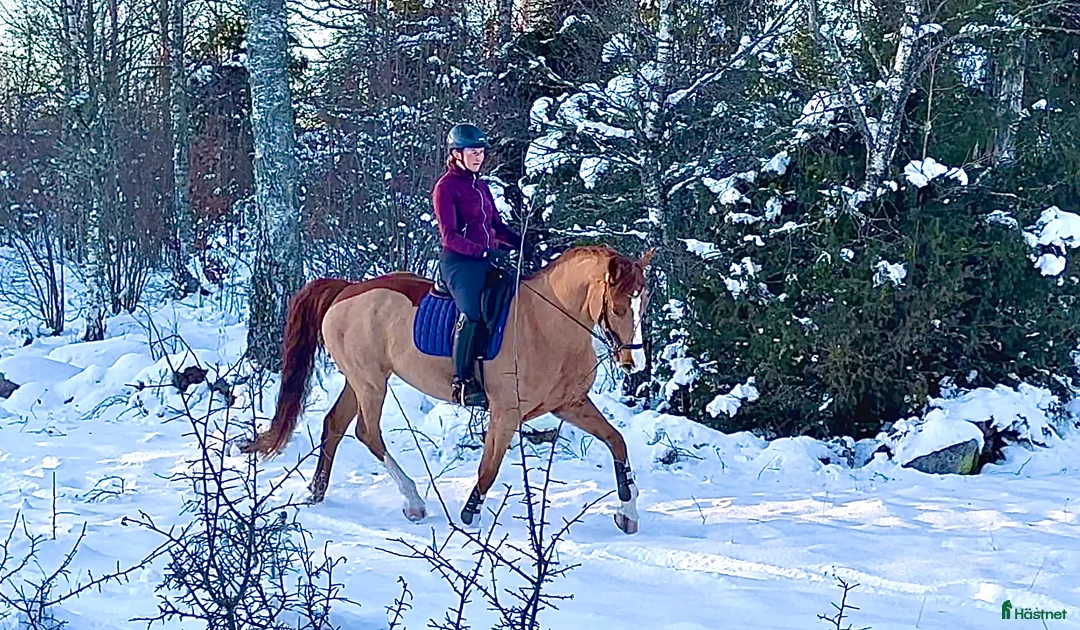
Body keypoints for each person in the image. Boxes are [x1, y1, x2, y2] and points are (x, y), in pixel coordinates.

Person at [432, 123, 521, 407]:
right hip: (459, 262)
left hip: (486, 258)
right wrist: (483, 253)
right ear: (456, 154)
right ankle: (462, 381)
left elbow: (495, 225)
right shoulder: (446, 188)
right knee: (472, 312)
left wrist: (520, 242)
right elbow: (450, 236)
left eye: (481, 152)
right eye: (473, 152)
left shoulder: (480, 186)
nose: (479, 157)